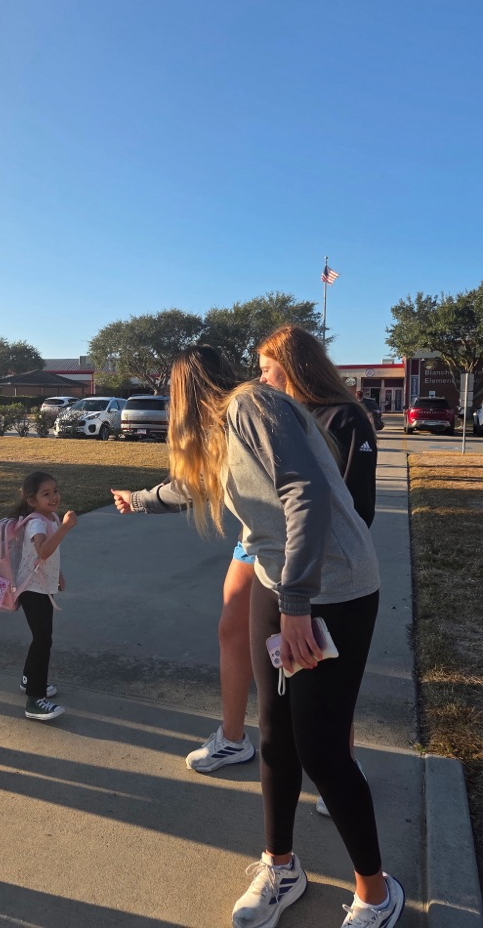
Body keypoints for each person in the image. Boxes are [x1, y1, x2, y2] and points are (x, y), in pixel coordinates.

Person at [119, 345, 403, 927]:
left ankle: (377, 893)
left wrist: (297, 603)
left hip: (334, 590)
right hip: (281, 589)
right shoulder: (225, 433)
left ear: (184, 394)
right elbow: (188, 486)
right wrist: (140, 500)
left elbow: (307, 492)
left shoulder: (253, 405)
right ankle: (281, 867)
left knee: (322, 749)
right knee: (274, 737)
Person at [114, 327, 377, 791]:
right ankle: (242, 741)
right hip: (262, 543)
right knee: (242, 636)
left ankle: (337, 765)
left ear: (293, 365)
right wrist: (139, 499)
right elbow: (197, 481)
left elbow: (323, 500)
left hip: (320, 558)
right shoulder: (249, 412)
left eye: (266, 367)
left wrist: (298, 596)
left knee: (322, 672)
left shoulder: (317, 412)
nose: (260, 376)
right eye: (256, 369)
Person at [12, 471, 77, 722]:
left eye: (56, 491)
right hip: (32, 590)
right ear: (32, 500)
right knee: (43, 641)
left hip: (42, 587)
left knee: (41, 639)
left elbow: (48, 554)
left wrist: (57, 574)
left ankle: (29, 680)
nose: (54, 497)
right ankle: (34, 700)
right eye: (46, 494)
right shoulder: (37, 522)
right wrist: (65, 528)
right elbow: (43, 550)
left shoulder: (51, 517)